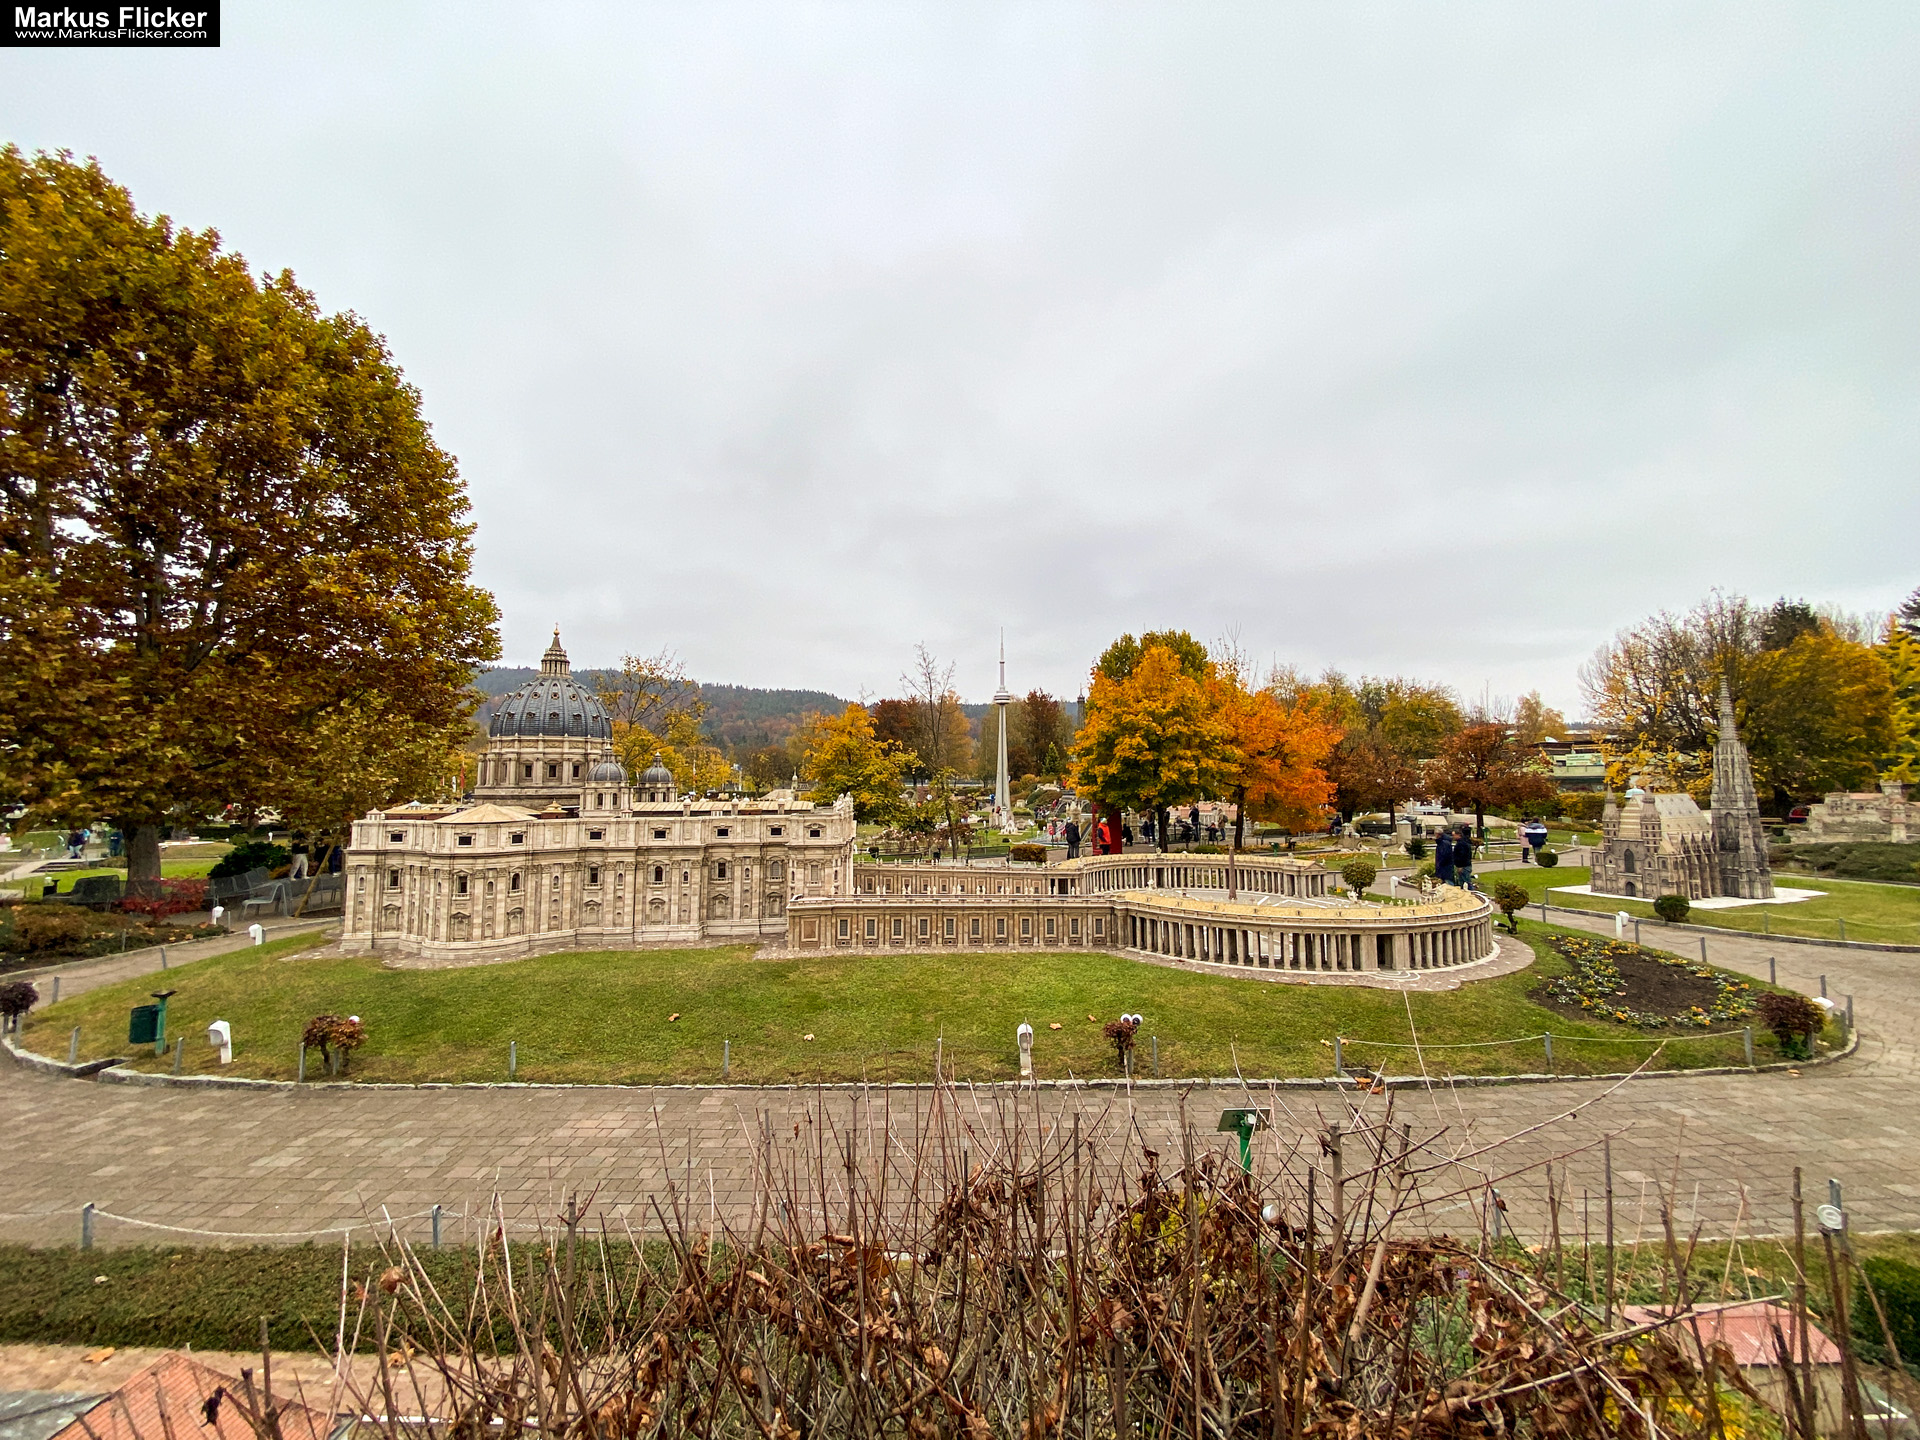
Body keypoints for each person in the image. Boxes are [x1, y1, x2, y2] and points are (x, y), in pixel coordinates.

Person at [1453, 826, 1477, 890]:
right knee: (1464, 882)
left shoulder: (1461, 844)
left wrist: (1460, 866)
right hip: (1466, 865)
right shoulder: (1464, 842)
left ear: (1458, 835)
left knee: (1466, 882)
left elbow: (1462, 855)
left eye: (1454, 835)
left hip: (1464, 866)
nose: (1453, 837)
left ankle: (1472, 894)